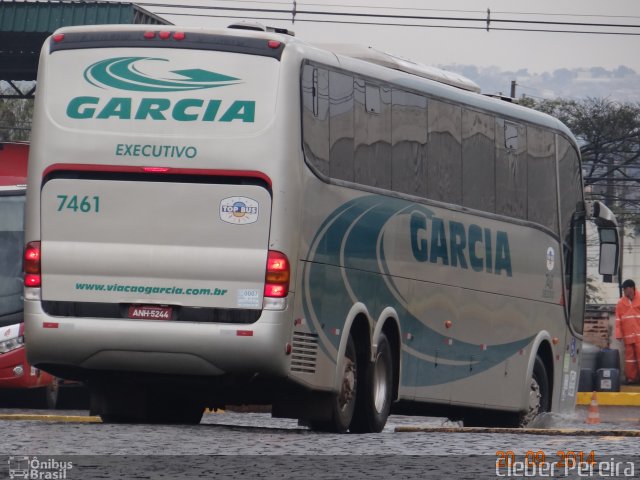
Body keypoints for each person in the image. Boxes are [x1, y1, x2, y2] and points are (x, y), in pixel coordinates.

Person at [615, 279, 640, 383]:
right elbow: (618, 319)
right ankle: (631, 378)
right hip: (628, 336)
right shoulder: (621, 302)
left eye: (624, 289)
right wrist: (618, 334)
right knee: (630, 359)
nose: (624, 291)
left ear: (630, 289)